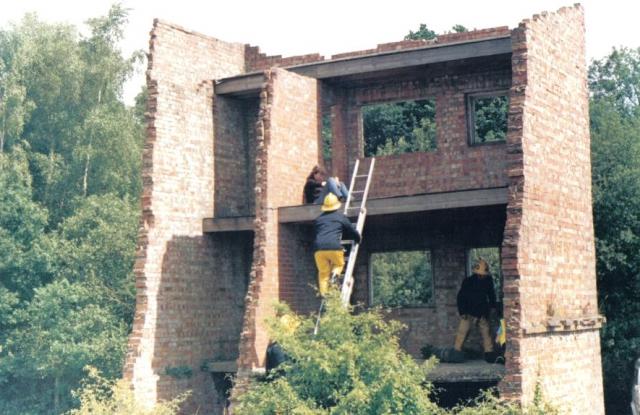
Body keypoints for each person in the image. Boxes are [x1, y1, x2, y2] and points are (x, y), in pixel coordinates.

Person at [313, 193, 361, 296]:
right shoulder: (340, 217)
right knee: (339, 264)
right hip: (334, 247)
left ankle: (324, 294)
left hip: (318, 250)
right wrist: (358, 238)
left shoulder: (318, 219)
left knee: (323, 273)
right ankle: (335, 275)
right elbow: (351, 230)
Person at [454, 258, 499, 363]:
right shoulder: (468, 281)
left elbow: (491, 295)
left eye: (484, 274)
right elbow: (460, 297)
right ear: (477, 273)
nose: (483, 276)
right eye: (481, 274)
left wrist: (493, 308)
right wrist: (462, 312)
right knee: (462, 332)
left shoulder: (488, 281)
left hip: (482, 312)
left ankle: (489, 354)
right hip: (468, 312)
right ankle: (456, 353)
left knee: (486, 333)